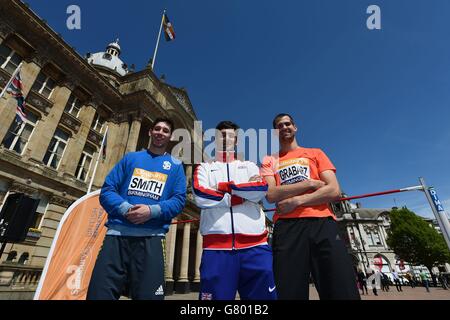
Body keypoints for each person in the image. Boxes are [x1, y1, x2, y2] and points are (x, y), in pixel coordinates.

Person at [260, 113, 360, 300]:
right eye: (279, 126)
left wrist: (296, 201)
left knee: (341, 288)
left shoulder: (316, 153)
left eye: (287, 124)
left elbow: (333, 191)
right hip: (287, 228)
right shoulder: (268, 160)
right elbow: (271, 195)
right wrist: (309, 184)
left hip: (323, 223)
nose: (284, 128)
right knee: (289, 291)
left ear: (295, 127)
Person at [87, 118, 186, 300]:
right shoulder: (131, 158)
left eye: (165, 130)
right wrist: (125, 209)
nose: (160, 133)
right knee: (98, 294)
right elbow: (108, 190)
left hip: (152, 239)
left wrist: (151, 211)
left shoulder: (176, 166)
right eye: (157, 129)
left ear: (170, 136)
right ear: (150, 132)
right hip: (116, 237)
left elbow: (179, 201)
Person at [192, 121, 277, 300]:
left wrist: (221, 187)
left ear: (236, 141)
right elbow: (200, 195)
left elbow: (261, 189)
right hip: (216, 249)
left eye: (230, 135)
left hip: (256, 247)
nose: (225, 138)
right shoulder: (204, 167)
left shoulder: (250, 166)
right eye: (221, 135)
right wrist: (241, 196)